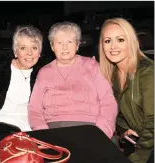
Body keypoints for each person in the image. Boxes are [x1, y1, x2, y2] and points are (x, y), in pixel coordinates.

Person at [28, 21, 118, 139]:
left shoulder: (92, 66)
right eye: (59, 42)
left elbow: (108, 102)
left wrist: (101, 133)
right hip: (54, 129)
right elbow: (34, 109)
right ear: (52, 46)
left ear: (77, 45)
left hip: (91, 128)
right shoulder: (44, 72)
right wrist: (45, 134)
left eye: (69, 42)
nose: (64, 47)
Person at [0, 25, 52, 136]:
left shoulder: (42, 74)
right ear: (15, 51)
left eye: (34, 48)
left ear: (40, 52)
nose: (29, 53)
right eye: (23, 48)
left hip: (28, 128)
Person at [99, 18, 154, 163]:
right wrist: (123, 132)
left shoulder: (147, 72)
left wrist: (136, 159)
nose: (113, 46)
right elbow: (117, 114)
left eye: (120, 40)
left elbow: (153, 121)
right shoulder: (112, 75)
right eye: (107, 41)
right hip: (142, 142)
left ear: (131, 41)